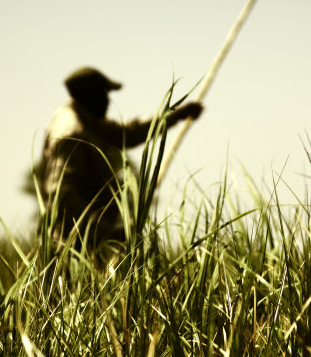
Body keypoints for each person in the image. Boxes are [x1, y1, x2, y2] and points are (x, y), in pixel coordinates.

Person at [39, 66, 203, 247]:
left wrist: (175, 115)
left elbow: (127, 132)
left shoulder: (89, 123)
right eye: (104, 94)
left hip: (86, 239)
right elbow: (61, 191)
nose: (108, 101)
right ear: (89, 95)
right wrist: (102, 229)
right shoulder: (70, 131)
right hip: (68, 241)